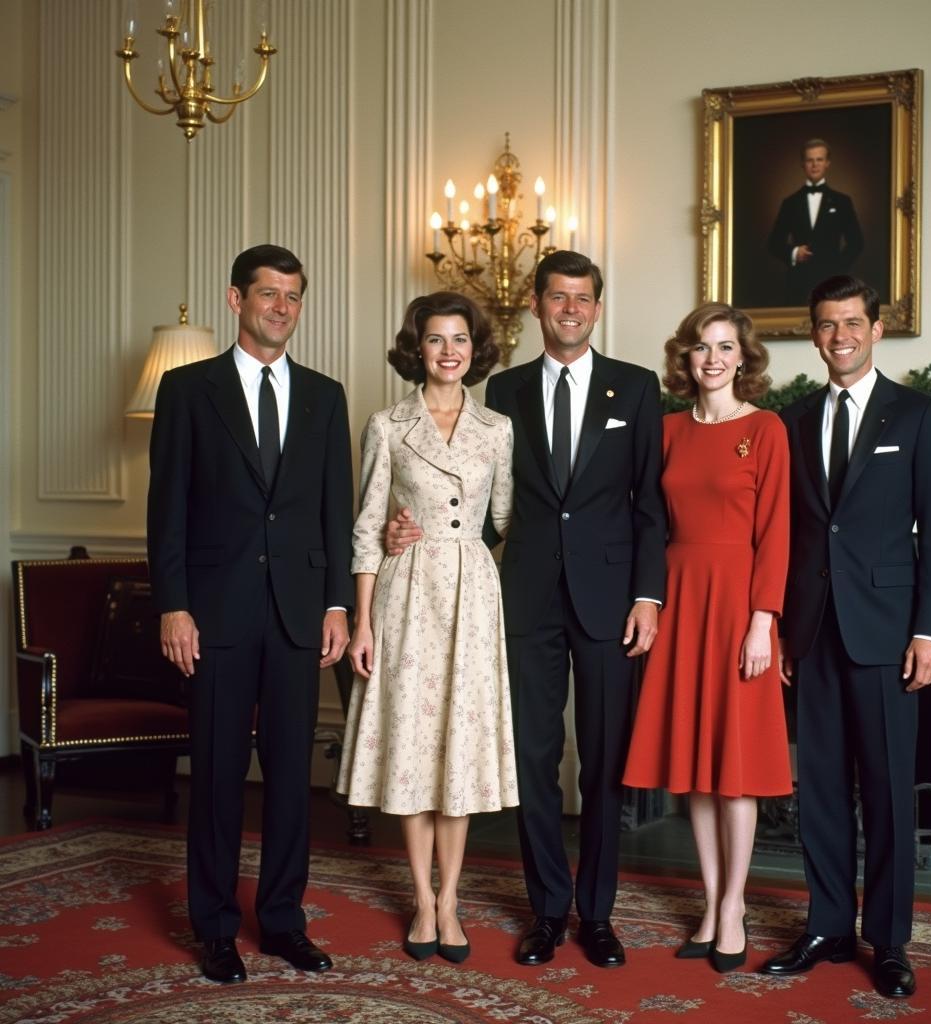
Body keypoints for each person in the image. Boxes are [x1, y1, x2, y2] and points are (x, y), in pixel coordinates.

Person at [388, 250, 667, 968]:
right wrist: (401, 524)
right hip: (522, 600)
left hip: (611, 603)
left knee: (603, 760)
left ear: (596, 309)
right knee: (534, 758)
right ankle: (547, 910)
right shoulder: (500, 390)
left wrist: (647, 596)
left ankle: (597, 915)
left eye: (583, 298)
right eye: (558, 297)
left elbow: (649, 507)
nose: (570, 308)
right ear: (537, 306)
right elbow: (461, 489)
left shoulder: (635, 389)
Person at [148, 244, 354, 984]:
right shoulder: (187, 390)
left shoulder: (327, 397)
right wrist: (173, 605)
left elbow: (337, 512)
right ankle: (214, 928)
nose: (282, 308)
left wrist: (339, 605)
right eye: (269, 294)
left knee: (294, 778)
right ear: (235, 300)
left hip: (300, 616)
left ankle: (284, 922)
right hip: (215, 613)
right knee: (217, 775)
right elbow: (165, 510)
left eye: (294, 296)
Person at [760, 276, 931, 998]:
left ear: (876, 329)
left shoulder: (917, 415)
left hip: (885, 634)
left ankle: (891, 941)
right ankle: (828, 924)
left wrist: (929, 631)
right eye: (826, 325)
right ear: (813, 335)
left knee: (886, 792)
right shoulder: (793, 418)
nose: (839, 336)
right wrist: (778, 625)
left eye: (851, 323)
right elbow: (785, 534)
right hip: (812, 630)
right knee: (819, 792)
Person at [337, 291, 518, 964]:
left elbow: (505, 523)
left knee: (458, 750)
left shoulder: (497, 428)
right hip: (404, 592)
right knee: (413, 745)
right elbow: (365, 527)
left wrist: (479, 563)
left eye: (460, 340)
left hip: (472, 595)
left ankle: (452, 900)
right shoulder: (386, 425)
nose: (449, 351)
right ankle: (421, 898)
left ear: (476, 351)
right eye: (437, 340)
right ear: (418, 349)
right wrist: (362, 623)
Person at [623, 302, 791, 974]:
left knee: (737, 765)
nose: (713, 358)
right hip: (682, 597)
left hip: (739, 604)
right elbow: (643, 522)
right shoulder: (664, 430)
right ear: (684, 359)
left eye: (725, 347)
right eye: (701, 347)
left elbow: (778, 530)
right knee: (694, 764)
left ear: (743, 358)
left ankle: (732, 907)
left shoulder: (768, 429)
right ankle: (712, 897)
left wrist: (763, 621)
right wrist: (650, 601)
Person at [767, 139, 864, 307]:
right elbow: (773, 243)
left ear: (827, 163)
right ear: (802, 164)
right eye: (810, 160)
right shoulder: (790, 202)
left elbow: (857, 242)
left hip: (833, 284)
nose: (814, 165)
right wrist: (794, 252)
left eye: (819, 159)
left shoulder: (842, 202)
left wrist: (837, 269)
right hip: (797, 283)